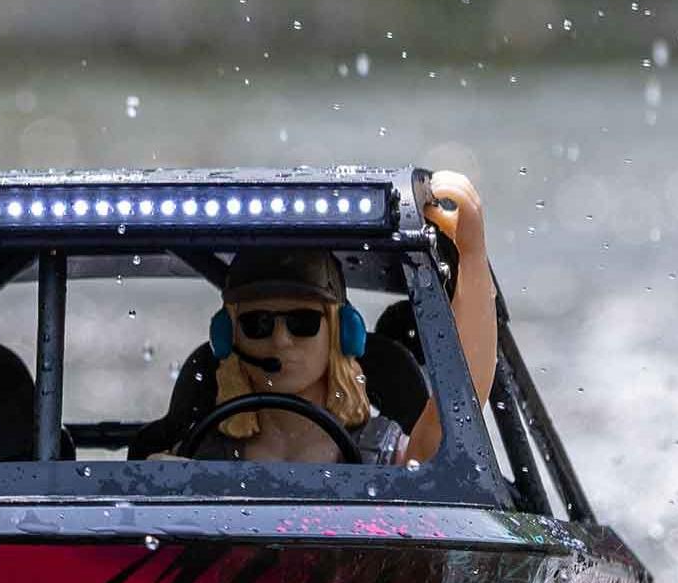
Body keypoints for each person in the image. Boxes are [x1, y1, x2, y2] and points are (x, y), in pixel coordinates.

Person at [167, 169, 495, 464]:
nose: (280, 340)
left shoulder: (385, 454)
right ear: (228, 337)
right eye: (258, 324)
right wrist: (162, 477)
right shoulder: (199, 458)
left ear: (341, 333)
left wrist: (472, 253)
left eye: (303, 323)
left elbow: (452, 421)